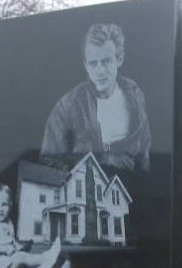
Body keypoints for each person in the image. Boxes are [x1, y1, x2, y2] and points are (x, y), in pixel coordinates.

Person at [40, 23, 151, 172]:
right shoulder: (67, 106)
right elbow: (49, 160)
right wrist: (78, 176)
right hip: (88, 182)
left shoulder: (135, 95)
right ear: (86, 65)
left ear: (119, 59)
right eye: (93, 64)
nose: (99, 71)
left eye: (106, 61)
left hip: (129, 183)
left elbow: (144, 152)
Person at [0, 184, 62, 268]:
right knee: (22, 257)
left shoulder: (9, 222)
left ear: (10, 206)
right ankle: (48, 256)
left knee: (26, 259)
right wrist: (5, 249)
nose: (0, 209)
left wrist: (18, 247)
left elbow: (11, 240)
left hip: (10, 259)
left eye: (4, 204)